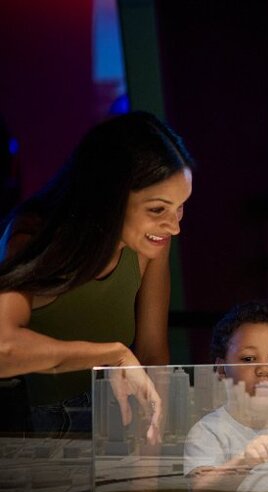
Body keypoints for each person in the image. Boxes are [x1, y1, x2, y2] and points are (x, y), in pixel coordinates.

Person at [0, 111, 193, 441]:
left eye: (180, 207)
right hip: (30, 433)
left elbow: (152, 357)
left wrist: (148, 473)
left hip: (115, 420)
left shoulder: (152, 244)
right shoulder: (33, 236)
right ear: (110, 197)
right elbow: (3, 348)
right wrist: (111, 354)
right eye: (158, 209)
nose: (174, 226)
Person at [184, 301, 268, 492]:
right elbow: (200, 491)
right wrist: (245, 461)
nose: (264, 369)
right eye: (249, 359)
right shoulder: (208, 431)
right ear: (221, 369)